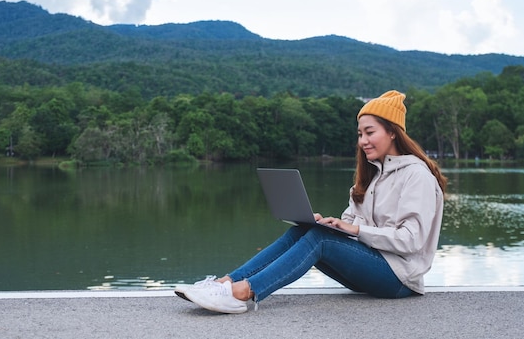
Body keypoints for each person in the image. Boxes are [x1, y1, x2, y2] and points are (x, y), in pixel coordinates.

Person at [175, 90, 447, 314]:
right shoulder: (371, 177)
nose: (362, 141)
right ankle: (225, 283)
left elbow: (412, 240)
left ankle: (243, 292)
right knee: (306, 230)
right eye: (359, 134)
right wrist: (334, 224)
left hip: (400, 279)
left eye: (369, 132)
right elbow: (351, 221)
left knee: (320, 240)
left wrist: (354, 231)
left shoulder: (416, 175)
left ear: (392, 133)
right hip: (372, 267)